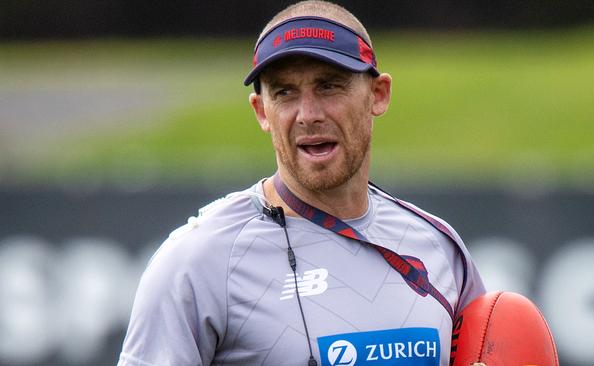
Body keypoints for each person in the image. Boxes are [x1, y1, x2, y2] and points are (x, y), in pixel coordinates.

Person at [118, 1, 485, 365]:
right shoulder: (198, 261)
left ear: (378, 94)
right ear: (262, 111)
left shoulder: (439, 248)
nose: (308, 115)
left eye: (329, 86)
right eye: (284, 92)